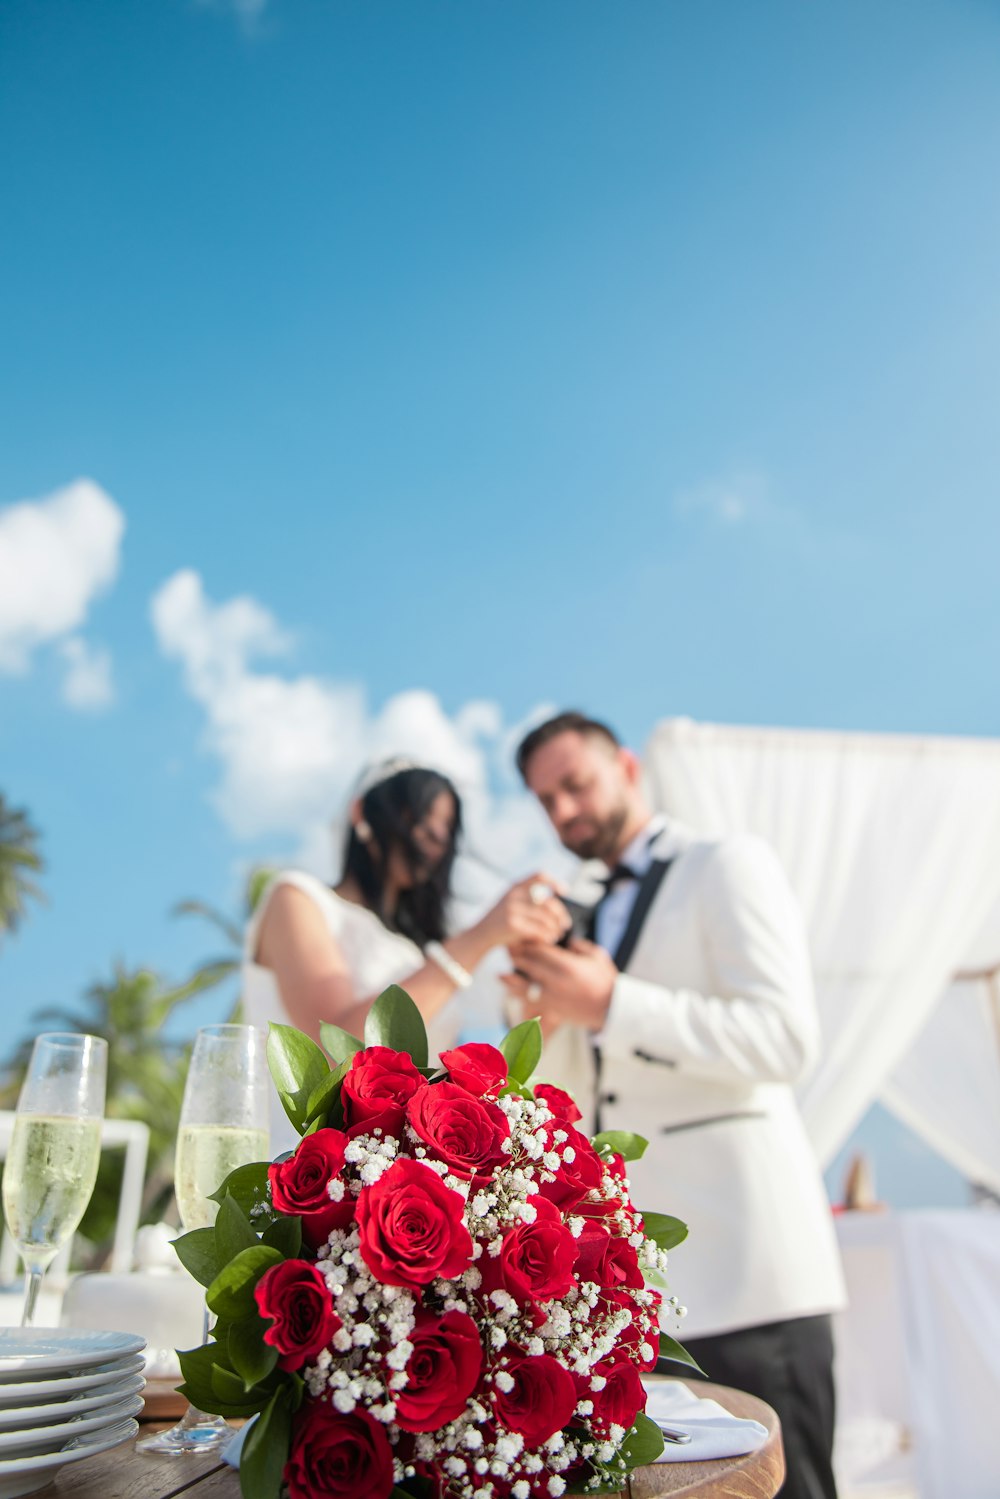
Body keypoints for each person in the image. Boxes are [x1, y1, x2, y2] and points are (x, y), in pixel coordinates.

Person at [503, 713, 846, 1499]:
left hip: (752, 1274)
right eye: (545, 799)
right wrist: (544, 1013)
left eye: (574, 784)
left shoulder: (727, 863)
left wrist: (616, 999)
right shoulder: (582, 908)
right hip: (640, 1296)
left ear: (626, 766)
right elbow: (582, 1091)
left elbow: (787, 1039)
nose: (561, 811)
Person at [244, 758, 569, 1151]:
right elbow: (335, 1051)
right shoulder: (298, 898)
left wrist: (542, 1002)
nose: (436, 836)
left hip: (394, 1184)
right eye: (420, 816)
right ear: (363, 812)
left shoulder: (419, 955)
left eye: (447, 828)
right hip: (301, 1164)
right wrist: (480, 937)